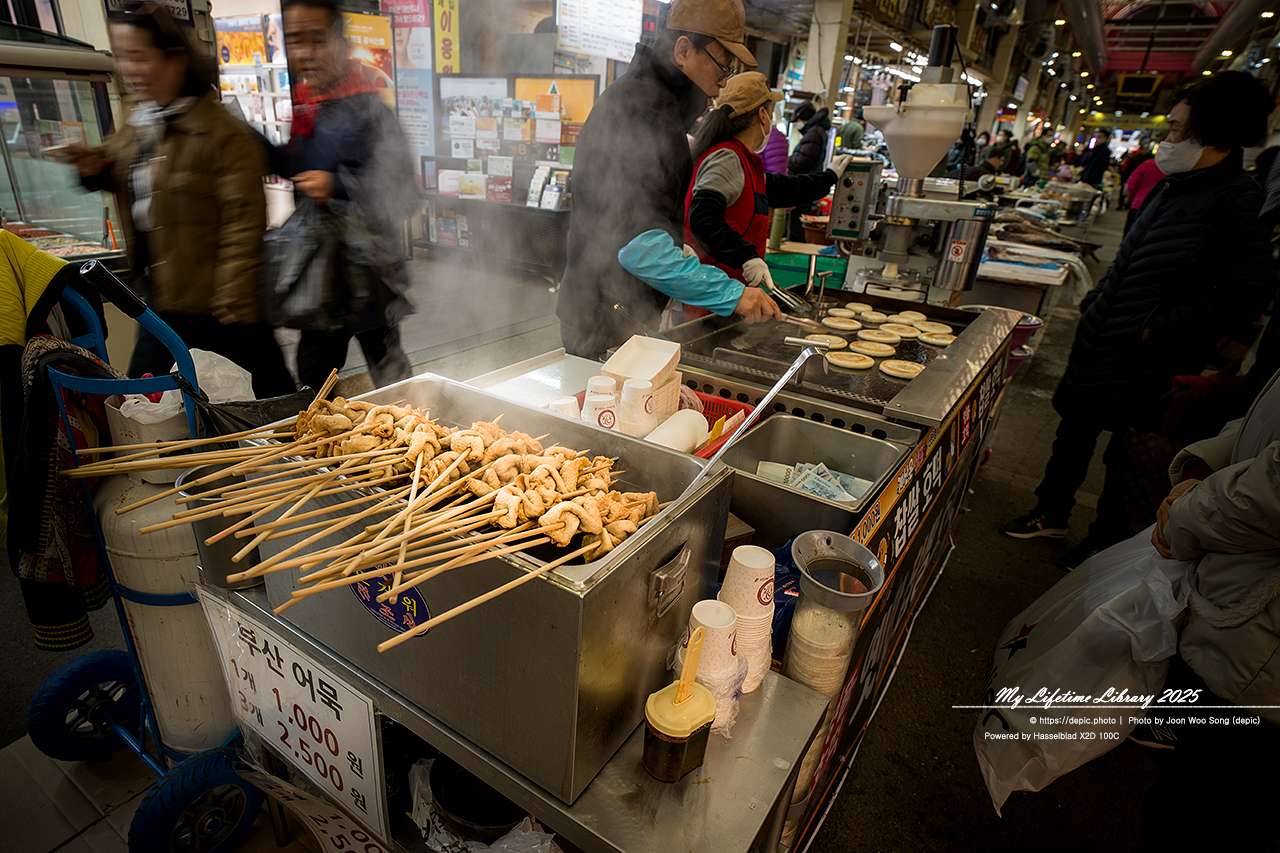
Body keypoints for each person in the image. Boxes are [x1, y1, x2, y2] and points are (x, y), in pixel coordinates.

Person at [1000, 71, 1276, 568]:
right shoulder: (1175, 186)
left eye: (1174, 129)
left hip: (1151, 355)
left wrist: (1158, 327)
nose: (1165, 140)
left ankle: (1105, 541)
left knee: (1128, 453)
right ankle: (1050, 513)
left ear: (1212, 134)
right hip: (1105, 334)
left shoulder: (1238, 198)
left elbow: (1245, 292)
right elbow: (1128, 258)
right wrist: (1097, 303)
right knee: (1074, 431)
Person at [65, 2, 295, 399]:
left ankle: (302, 440)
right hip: (164, 295)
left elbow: (244, 217)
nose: (129, 69)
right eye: (123, 57)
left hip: (219, 302)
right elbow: (123, 169)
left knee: (267, 392)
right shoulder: (142, 119)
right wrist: (93, 167)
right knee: (145, 392)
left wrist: (234, 292)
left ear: (173, 59)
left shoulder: (222, 133)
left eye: (138, 57)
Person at [556, 0, 781, 359]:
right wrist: (732, 294)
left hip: (610, 305)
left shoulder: (644, 99)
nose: (724, 82)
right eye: (722, 64)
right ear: (683, 50)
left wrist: (673, 244)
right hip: (603, 316)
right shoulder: (650, 114)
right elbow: (638, 246)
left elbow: (633, 218)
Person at [1141, 368, 1280, 849]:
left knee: (1205, 814)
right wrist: (1198, 472)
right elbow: (1257, 429)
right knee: (1186, 791)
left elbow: (1269, 493)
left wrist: (1185, 514)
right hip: (1238, 616)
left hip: (1262, 660)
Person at [274, 0, 417, 392]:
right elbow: (296, 169)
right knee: (314, 382)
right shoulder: (308, 106)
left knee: (392, 377)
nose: (304, 53)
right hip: (322, 279)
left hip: (370, 276)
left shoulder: (370, 107)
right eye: (294, 41)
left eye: (316, 40)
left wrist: (335, 185)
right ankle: (320, 449)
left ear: (340, 41)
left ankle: (418, 443)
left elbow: (403, 193)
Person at [682, 73, 851, 318]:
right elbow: (703, 217)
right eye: (770, 112)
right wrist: (747, 256)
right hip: (715, 298)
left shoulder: (744, 162)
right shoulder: (727, 158)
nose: (771, 119)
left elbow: (785, 188)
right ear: (762, 115)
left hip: (733, 298)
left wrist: (829, 176)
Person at [786, 100, 831, 240]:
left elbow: (802, 162)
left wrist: (783, 160)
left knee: (797, 225)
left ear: (804, 118)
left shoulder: (814, 132)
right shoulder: (816, 130)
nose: (797, 124)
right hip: (806, 184)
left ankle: (794, 254)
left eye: (798, 120)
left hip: (803, 185)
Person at [1123, 155, 1164, 236]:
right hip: (1159, 208)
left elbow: (1131, 184)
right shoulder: (1175, 170)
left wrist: (1132, 199)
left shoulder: (1148, 164)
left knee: (1130, 234)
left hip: (1139, 203)